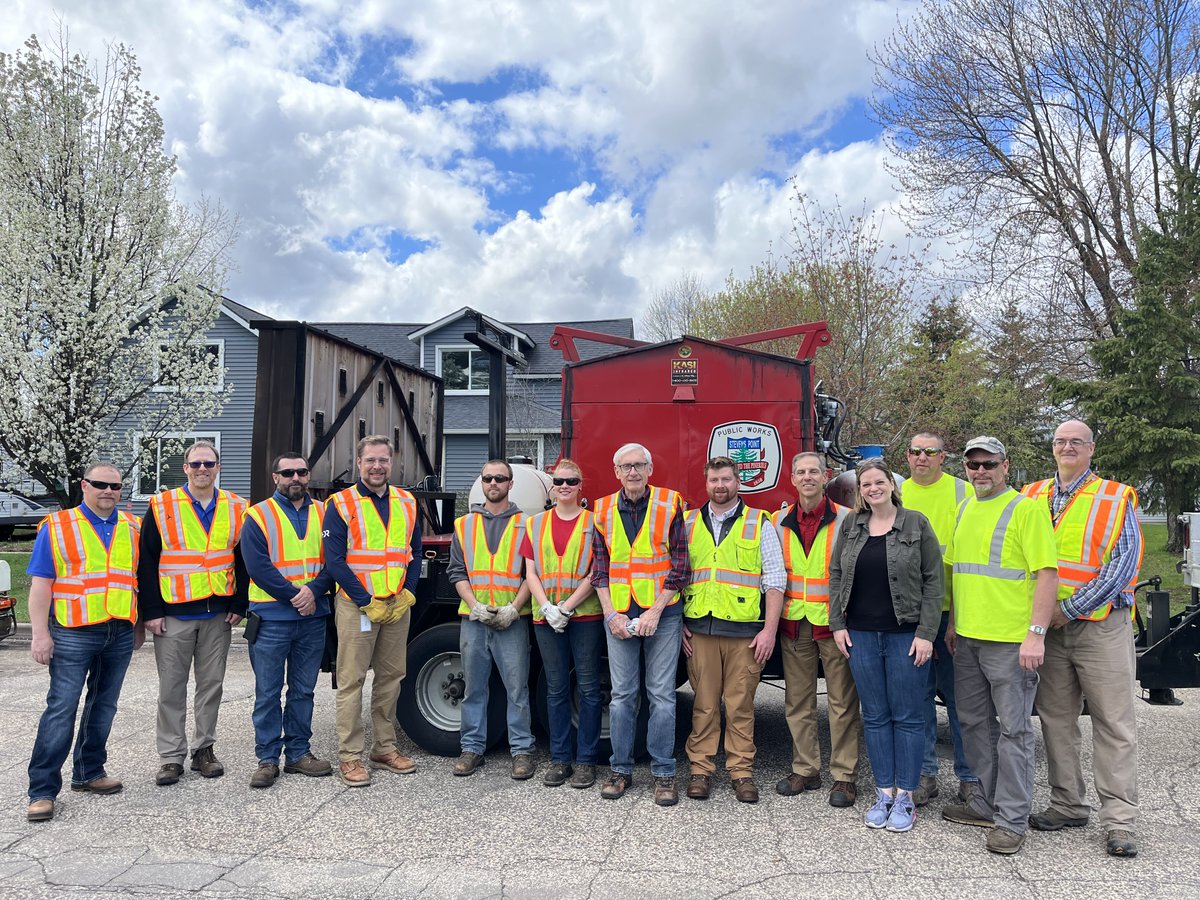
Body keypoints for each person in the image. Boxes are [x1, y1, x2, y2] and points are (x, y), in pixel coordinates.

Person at [1021, 420, 1143, 858]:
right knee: (1056, 719)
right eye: (1060, 441)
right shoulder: (1031, 494)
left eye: (1076, 441)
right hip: (1047, 631)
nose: (1067, 447)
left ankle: (1120, 821)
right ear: (1052, 448)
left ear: (1091, 449)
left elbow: (1121, 566)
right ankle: (1067, 804)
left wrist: (1065, 610)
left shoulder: (1115, 496)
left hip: (1099, 625)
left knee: (1113, 723)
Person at [941, 436, 1058, 855]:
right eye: (973, 465)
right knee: (974, 725)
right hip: (969, 638)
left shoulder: (1025, 509)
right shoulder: (965, 508)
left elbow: (1047, 574)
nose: (980, 471)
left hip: (1011, 643)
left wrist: (1036, 634)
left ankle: (1011, 820)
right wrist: (954, 623)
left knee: (1013, 732)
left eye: (988, 464)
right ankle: (987, 803)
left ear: (1005, 466)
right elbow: (959, 572)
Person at [829, 459, 944, 832]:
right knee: (875, 717)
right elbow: (835, 574)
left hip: (905, 636)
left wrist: (926, 633)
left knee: (908, 717)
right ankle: (884, 793)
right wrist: (837, 625)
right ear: (859, 490)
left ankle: (906, 798)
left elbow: (933, 581)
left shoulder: (916, 523)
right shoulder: (852, 524)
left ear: (892, 486)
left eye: (879, 482)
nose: (873, 488)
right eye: (866, 484)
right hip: (860, 635)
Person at [25, 463, 144, 822]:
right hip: (72, 631)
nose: (108, 491)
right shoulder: (58, 527)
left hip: (119, 630)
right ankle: (42, 790)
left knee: (103, 706)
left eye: (115, 486)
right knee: (61, 709)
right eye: (100, 484)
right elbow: (41, 584)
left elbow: (134, 579)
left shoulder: (133, 527)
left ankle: (89, 772)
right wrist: (39, 634)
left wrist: (136, 625)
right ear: (84, 486)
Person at [138, 440, 248, 787]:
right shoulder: (161, 505)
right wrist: (151, 611)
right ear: (185, 468)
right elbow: (147, 560)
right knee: (171, 687)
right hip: (173, 614)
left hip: (218, 612)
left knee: (211, 685)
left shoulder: (237, 506)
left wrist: (238, 603)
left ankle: (204, 750)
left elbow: (243, 559)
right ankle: (171, 758)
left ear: (218, 467)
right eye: (196, 464)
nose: (203, 469)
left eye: (209, 464)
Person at [681, 456, 785, 804]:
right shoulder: (688, 522)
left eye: (726, 479)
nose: (720, 486)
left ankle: (742, 773)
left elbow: (774, 580)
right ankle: (700, 771)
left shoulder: (760, 523)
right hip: (700, 631)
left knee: (741, 706)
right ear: (706, 483)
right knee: (705, 706)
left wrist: (770, 630)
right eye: (714, 480)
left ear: (738, 482)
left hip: (745, 634)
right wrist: (678, 623)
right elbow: (676, 575)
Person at [591, 442, 689, 806]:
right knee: (621, 697)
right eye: (625, 466)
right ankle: (620, 770)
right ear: (616, 471)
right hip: (618, 613)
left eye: (639, 465)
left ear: (650, 469)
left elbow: (681, 566)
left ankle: (664, 774)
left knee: (662, 696)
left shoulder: (670, 503)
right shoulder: (601, 510)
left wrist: (655, 611)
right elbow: (599, 569)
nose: (632, 472)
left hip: (661, 614)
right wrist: (611, 615)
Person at [324, 435, 422, 787]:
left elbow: (414, 552)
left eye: (383, 460)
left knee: (391, 678)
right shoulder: (340, 503)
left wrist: (409, 592)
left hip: (397, 605)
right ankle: (350, 757)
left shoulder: (407, 502)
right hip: (357, 606)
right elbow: (334, 561)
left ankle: (384, 748)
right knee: (352, 681)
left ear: (391, 463)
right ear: (359, 462)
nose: (377, 466)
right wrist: (365, 600)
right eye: (370, 460)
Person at [241, 452, 336, 788]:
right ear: (275, 477)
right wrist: (297, 596)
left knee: (303, 691)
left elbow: (336, 560)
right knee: (267, 692)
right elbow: (257, 567)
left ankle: (298, 754)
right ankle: (267, 759)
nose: (296, 477)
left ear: (308, 476)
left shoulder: (325, 513)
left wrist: (313, 591)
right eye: (288, 472)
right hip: (271, 618)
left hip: (312, 617)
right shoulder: (257, 515)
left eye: (302, 472)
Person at [773, 452, 862, 809]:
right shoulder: (779, 520)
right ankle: (805, 769)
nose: (807, 477)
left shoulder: (847, 519)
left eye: (813, 472)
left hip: (835, 623)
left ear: (825, 476)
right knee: (798, 702)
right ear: (792, 479)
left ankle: (844, 776)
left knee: (842, 703)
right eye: (801, 472)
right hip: (795, 622)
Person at [901, 433, 980, 806]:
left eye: (930, 452)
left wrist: (955, 621)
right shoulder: (897, 492)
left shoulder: (963, 493)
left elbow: (970, 558)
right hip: (909, 618)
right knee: (917, 701)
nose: (922, 457)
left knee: (961, 701)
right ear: (907, 456)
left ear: (943, 457)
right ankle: (925, 776)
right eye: (916, 451)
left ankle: (970, 778)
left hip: (952, 614)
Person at [449, 459, 535, 780]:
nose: (494, 483)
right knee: (474, 688)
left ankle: (522, 751)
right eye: (488, 478)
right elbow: (457, 572)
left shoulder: (528, 524)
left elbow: (532, 574)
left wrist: (514, 607)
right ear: (481, 482)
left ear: (511, 483)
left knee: (517, 689)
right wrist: (474, 605)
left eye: (500, 478)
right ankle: (471, 749)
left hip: (511, 620)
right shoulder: (464, 525)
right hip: (475, 619)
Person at [520, 458, 603, 789]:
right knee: (555, 690)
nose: (565, 486)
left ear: (580, 486)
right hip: (546, 618)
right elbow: (530, 572)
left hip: (584, 616)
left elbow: (597, 570)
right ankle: (559, 760)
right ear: (552, 486)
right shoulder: (535, 524)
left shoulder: (594, 523)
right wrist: (545, 606)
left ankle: (586, 762)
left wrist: (565, 607)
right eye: (559, 481)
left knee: (588, 689)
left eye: (571, 481)